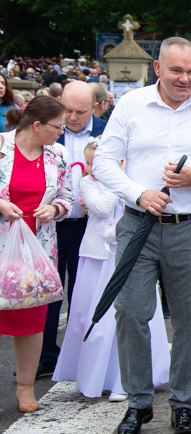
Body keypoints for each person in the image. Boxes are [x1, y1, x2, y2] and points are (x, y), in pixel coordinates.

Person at [93, 37, 191, 434]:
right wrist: (138, 193)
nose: (184, 79)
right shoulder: (131, 105)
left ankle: (182, 404)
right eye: (176, 70)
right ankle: (139, 403)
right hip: (138, 224)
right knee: (130, 312)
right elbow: (105, 163)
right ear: (157, 68)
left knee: (189, 317)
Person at [53, 138, 170, 400]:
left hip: (127, 252)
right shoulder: (88, 183)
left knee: (133, 312)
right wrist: (120, 182)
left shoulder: (130, 181)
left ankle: (129, 378)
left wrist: (124, 180)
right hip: (97, 256)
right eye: (89, 163)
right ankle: (98, 377)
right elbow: (102, 207)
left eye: (98, 163)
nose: (92, 168)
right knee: (97, 316)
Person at [0, 96, 72, 413]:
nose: (61, 132)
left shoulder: (58, 156)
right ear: (37, 125)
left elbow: (68, 198)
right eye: (57, 127)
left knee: (30, 319)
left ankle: (26, 387)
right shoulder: (2, 146)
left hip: (36, 252)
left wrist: (55, 208)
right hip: (3, 242)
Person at [40, 81, 107, 378]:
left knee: (84, 293)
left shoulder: (108, 131)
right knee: (50, 291)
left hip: (91, 226)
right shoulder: (48, 132)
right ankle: (45, 354)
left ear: (95, 106)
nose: (71, 117)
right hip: (53, 225)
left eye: (80, 111)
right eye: (66, 109)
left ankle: (82, 353)